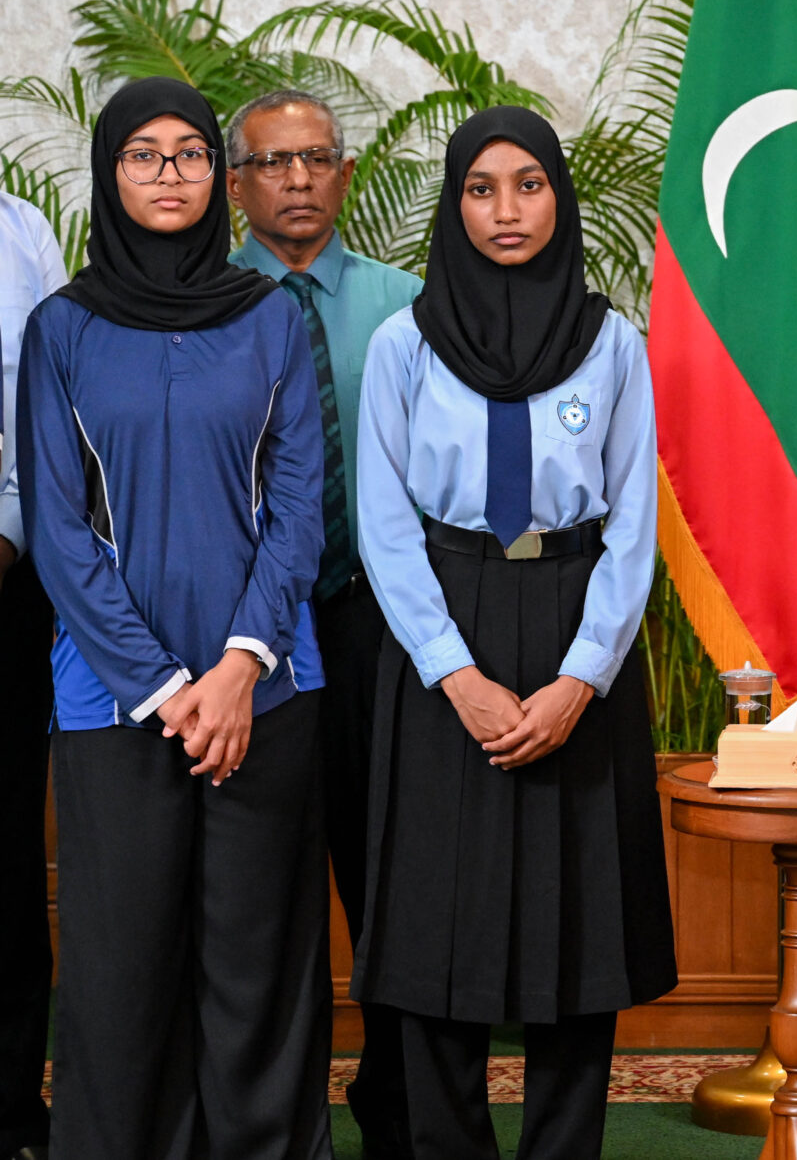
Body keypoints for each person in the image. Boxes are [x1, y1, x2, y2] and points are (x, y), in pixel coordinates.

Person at [353, 108, 674, 1160]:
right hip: (442, 627)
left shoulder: (610, 342)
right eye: (480, 188)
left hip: (578, 619)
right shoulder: (403, 343)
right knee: (436, 915)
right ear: (453, 205)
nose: (506, 210)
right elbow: (384, 525)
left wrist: (582, 678)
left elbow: (634, 524)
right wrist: (455, 672)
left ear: (559, 199)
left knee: (578, 920)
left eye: (529, 184)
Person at [26, 77, 331, 1160]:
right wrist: (166, 690)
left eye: (191, 153)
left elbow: (300, 506)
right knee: (121, 965)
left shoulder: (270, 317)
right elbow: (57, 527)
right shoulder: (61, 328)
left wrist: (239, 668)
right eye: (144, 154)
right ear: (110, 172)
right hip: (114, 701)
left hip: (266, 691)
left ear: (218, 175)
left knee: (259, 963)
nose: (170, 173)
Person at [227, 87, 424, 1159]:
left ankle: (397, 1104)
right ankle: (276, 1116)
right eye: (272, 162)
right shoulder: (204, 307)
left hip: (378, 629)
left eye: (316, 158)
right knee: (268, 888)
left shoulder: (410, 305)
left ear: (347, 174)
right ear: (236, 185)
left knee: (391, 871)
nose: (297, 179)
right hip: (246, 642)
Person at [0, 189, 65, 1160]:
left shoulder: (24, 231)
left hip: (6, 581)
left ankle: (10, 1108)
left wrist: (6, 535)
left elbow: (50, 409)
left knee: (7, 857)